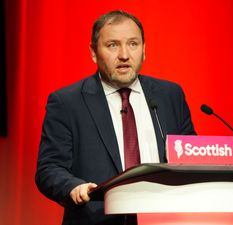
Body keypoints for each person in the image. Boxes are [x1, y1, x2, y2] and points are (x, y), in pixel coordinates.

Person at [35, 10, 196, 225]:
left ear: (144, 50)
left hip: (164, 219)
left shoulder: (170, 95)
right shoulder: (67, 102)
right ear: (93, 52)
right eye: (112, 45)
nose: (124, 55)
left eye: (133, 44)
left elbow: (190, 157)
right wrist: (74, 187)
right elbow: (49, 168)